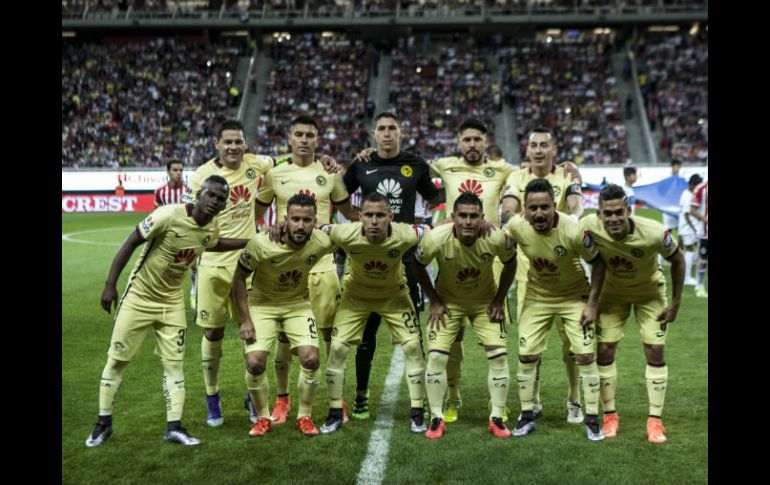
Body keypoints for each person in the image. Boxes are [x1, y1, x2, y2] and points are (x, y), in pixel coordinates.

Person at [85, 175, 248, 447]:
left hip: (172, 303)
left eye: (220, 199)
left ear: (223, 206)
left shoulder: (211, 227)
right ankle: (103, 423)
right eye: (211, 194)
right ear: (199, 194)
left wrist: (247, 241)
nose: (214, 201)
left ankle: (174, 427)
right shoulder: (168, 215)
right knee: (117, 361)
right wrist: (110, 284)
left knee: (174, 365)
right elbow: (131, 242)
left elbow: (213, 242)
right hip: (139, 298)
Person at [254, 115, 358, 425]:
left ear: (317, 140)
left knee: (329, 337)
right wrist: (268, 229)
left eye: (309, 135)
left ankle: (336, 402)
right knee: (284, 338)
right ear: (289, 138)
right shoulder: (274, 174)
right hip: (286, 267)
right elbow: (254, 214)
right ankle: (283, 399)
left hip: (322, 265)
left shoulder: (330, 174)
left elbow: (349, 213)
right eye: (298, 134)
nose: (303, 139)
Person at [342, 112, 440, 420]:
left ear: (400, 132)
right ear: (374, 133)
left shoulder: (416, 164)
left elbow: (437, 196)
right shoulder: (361, 164)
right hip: (368, 259)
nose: (387, 133)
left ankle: (419, 400)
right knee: (366, 333)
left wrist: (429, 226)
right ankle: (361, 393)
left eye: (392, 128)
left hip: (406, 260)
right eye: (382, 129)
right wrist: (357, 218)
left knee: (412, 334)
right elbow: (338, 195)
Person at [183, 119, 275, 428]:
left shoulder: (256, 164)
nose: (234, 147)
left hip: (248, 265)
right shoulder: (201, 176)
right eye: (228, 142)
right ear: (217, 144)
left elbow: (284, 160)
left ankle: (253, 396)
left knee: (253, 331)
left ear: (245, 144)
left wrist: (325, 159)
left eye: (238, 141)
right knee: (213, 333)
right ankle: (212, 397)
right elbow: (190, 218)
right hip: (213, 265)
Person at [318, 193, 431, 434]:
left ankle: (418, 411)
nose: (374, 220)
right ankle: (334, 412)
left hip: (394, 295)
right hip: (356, 296)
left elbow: (429, 230)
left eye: (380, 215)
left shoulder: (405, 233)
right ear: (360, 217)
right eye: (369, 215)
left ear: (391, 216)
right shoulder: (345, 233)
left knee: (413, 346)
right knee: (336, 349)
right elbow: (319, 227)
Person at [427, 118, 516, 422]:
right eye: (467, 139)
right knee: (452, 340)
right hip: (454, 255)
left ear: (486, 142)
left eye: (477, 139)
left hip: (488, 258)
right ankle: (453, 398)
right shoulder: (445, 165)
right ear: (458, 142)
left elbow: (531, 172)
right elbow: (409, 168)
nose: (472, 144)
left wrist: (568, 166)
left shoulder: (501, 169)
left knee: (495, 339)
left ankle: (500, 403)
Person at [581, 184, 685, 444]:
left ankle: (655, 421)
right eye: (608, 213)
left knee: (655, 351)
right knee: (605, 350)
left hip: (650, 294)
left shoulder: (654, 232)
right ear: (599, 214)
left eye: (619, 212)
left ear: (628, 210)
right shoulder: (588, 226)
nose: (614, 218)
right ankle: (610, 416)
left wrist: (675, 303)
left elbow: (678, 259)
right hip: (611, 295)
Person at [505, 179, 607, 442]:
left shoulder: (573, 230)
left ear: (554, 206)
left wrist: (592, 304)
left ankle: (592, 420)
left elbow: (598, 263)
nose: (539, 213)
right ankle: (527, 416)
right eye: (533, 208)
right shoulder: (516, 226)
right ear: (525, 209)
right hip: (537, 297)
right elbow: (498, 240)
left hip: (574, 297)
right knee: (526, 355)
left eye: (545, 207)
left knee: (585, 355)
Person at [412, 192, 517, 439]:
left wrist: (499, 300)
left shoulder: (496, 238)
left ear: (482, 217)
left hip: (485, 303)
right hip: (448, 303)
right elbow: (416, 264)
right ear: (453, 217)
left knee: (499, 356)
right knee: (436, 358)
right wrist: (434, 300)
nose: (468, 221)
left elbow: (511, 262)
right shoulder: (435, 238)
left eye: (473, 216)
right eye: (462, 216)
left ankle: (497, 417)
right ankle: (436, 418)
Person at [500, 126, 585, 424]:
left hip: (568, 276)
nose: (538, 150)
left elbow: (576, 206)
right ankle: (533, 401)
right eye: (533, 145)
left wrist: (570, 219)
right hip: (531, 277)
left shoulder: (567, 176)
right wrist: (517, 220)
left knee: (573, 345)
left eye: (544, 145)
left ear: (554, 151)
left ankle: (575, 400)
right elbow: (507, 209)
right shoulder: (516, 178)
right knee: (530, 346)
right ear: (527, 150)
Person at [232, 194, 336, 437]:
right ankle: (262, 417)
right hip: (262, 305)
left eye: (307, 220)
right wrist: (245, 319)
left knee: (311, 359)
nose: (300, 225)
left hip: (297, 305)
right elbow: (238, 278)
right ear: (285, 219)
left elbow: (352, 233)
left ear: (315, 222)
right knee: (255, 363)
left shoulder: (321, 240)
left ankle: (304, 416)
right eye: (295, 219)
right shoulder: (261, 243)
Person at [155, 160, 194, 306]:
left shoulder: (189, 189)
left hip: (188, 233)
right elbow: (157, 214)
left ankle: (193, 292)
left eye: (180, 170)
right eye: (175, 170)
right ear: (168, 172)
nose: (178, 173)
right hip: (169, 236)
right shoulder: (160, 192)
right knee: (166, 268)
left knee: (194, 265)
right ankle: (165, 296)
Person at [678, 174, 703, 286]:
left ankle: (687, 275)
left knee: (694, 250)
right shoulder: (687, 196)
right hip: (688, 229)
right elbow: (686, 215)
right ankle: (686, 278)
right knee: (689, 250)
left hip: (690, 228)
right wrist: (694, 229)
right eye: (697, 186)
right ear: (692, 184)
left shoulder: (689, 194)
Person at [689, 180, 708, 298]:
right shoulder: (701, 189)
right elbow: (692, 210)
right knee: (703, 259)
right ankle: (699, 285)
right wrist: (704, 219)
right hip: (705, 233)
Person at [662, 159, 684, 232]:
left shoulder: (682, 179)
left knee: (681, 229)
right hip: (668, 207)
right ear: (672, 167)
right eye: (677, 167)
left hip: (678, 207)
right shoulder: (666, 179)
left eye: (679, 167)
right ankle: (666, 240)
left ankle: (681, 240)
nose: (678, 169)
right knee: (668, 229)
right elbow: (662, 192)